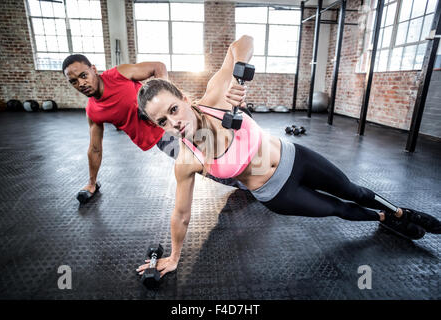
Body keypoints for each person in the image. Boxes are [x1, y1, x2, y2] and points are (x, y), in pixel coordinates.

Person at [135, 35, 441, 279]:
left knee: (355, 191)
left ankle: (401, 213)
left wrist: (239, 79)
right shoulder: (187, 161)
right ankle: (384, 218)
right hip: (278, 193)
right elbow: (181, 215)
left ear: (185, 99)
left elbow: (243, 42)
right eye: (162, 121)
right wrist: (174, 256)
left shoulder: (216, 97)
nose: (173, 122)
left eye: (173, 109)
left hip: (297, 158)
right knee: (340, 209)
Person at [62, 54, 247, 202]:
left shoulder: (119, 74)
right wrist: (91, 183)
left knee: (217, 147)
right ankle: (249, 183)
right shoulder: (93, 111)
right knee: (206, 165)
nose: (81, 84)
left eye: (83, 76)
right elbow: (95, 149)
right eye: (74, 82)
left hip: (178, 118)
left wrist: (163, 97)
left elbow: (158, 66)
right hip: (162, 138)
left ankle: (254, 175)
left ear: (93, 70)